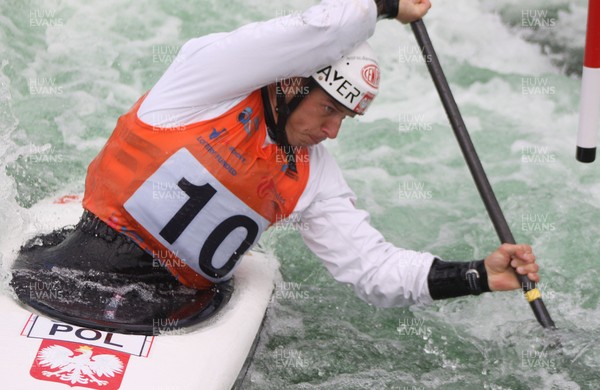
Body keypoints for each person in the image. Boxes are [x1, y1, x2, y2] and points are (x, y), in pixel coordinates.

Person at [12, 0, 539, 318]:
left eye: (344, 119)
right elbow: (321, 30)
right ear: (292, 82)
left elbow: (371, 269)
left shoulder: (314, 174)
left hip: (174, 308)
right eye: (328, 109)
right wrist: (383, 6)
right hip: (71, 266)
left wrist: (477, 275)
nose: (331, 131)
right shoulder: (206, 81)